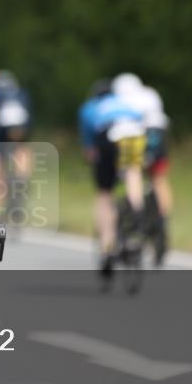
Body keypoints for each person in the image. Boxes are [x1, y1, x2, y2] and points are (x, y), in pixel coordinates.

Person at [78, 79, 146, 281]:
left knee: (104, 194)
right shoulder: (124, 102)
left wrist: (92, 156)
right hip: (133, 134)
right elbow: (141, 120)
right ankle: (136, 211)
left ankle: (107, 246)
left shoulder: (90, 107)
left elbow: (89, 145)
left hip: (108, 135)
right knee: (133, 173)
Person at [113, 73, 173, 264]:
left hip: (134, 135)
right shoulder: (151, 94)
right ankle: (164, 219)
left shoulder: (119, 99)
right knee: (159, 178)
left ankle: (137, 212)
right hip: (158, 134)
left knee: (133, 172)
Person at [0, 70, 33, 228]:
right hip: (22, 128)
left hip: (1, 132)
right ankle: (23, 178)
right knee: (22, 151)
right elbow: (30, 116)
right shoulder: (22, 94)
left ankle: (0, 207)